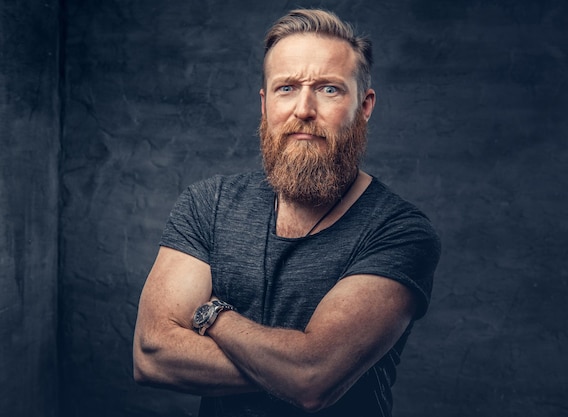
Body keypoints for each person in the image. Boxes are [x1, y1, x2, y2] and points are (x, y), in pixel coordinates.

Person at [133, 8, 440, 417]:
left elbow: (313, 379)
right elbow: (152, 353)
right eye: (286, 88)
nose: (304, 109)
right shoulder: (209, 204)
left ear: (364, 106)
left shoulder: (398, 232)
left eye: (329, 89)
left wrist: (213, 316)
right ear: (265, 104)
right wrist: (293, 368)